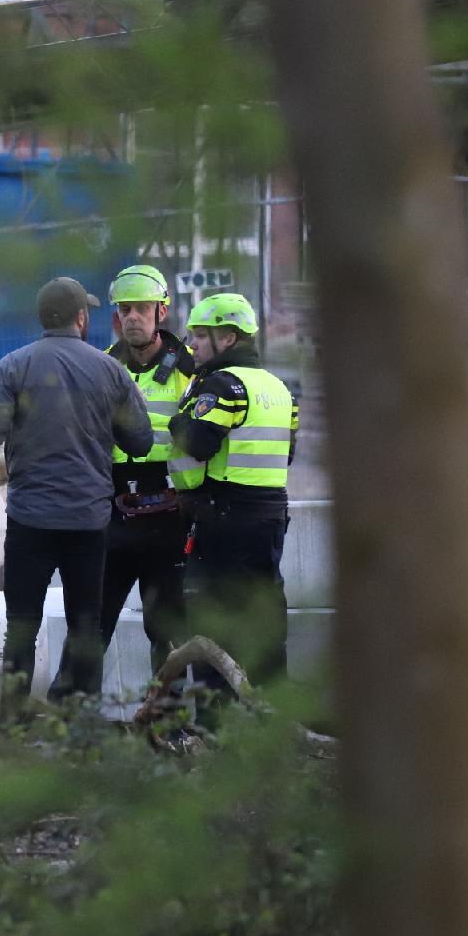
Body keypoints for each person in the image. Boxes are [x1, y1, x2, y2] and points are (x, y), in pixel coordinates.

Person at [0, 277, 153, 710]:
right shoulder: (110, 371)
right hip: (89, 523)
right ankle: (80, 730)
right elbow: (141, 442)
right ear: (82, 317)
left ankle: (12, 724)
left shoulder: (14, 366)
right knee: (87, 626)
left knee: (22, 626)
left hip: (30, 523)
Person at [166, 291, 300, 683]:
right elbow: (287, 455)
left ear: (227, 338)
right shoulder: (279, 388)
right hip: (271, 517)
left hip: (225, 517)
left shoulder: (223, 385)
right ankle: (272, 719)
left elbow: (198, 443)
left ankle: (212, 726)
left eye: (199, 336)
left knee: (213, 620)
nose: (191, 344)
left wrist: (177, 420)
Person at [96, 264, 198, 677]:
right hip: (112, 509)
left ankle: (167, 725)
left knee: (167, 628)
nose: (132, 317)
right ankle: (72, 721)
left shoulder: (189, 370)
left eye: (141, 308)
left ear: (161, 312)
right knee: (92, 623)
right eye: (125, 309)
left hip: (168, 514)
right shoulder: (100, 365)